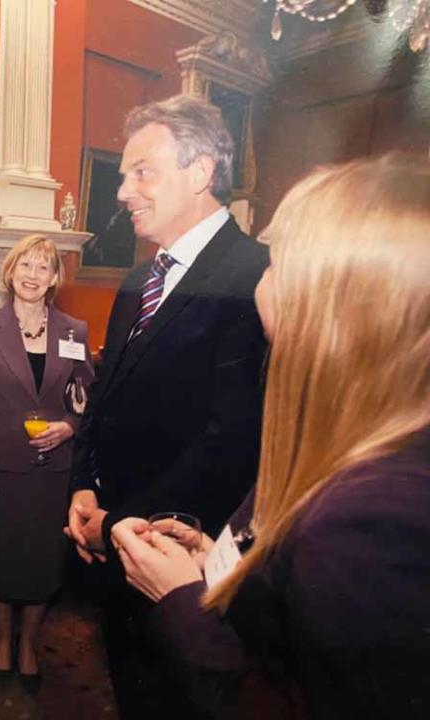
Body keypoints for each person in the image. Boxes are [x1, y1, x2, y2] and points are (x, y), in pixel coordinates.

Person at [108, 154, 430, 719]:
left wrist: (179, 598)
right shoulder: (365, 445)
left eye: (275, 265)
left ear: (332, 302)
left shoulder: (373, 518)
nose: (259, 282)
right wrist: (215, 565)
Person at [65, 94, 268, 718]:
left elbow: (227, 438)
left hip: (185, 560)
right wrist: (82, 486)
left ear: (201, 171)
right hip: (118, 546)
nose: (123, 191)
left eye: (141, 171)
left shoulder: (256, 276)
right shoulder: (137, 282)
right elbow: (103, 396)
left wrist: (120, 519)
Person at [0, 234, 94, 693]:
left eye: (44, 267)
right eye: (25, 264)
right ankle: (4, 640)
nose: (32, 274)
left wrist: (71, 427)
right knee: (1, 558)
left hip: (53, 469)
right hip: (1, 466)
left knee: (43, 563)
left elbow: (84, 399)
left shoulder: (73, 331)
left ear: (55, 278)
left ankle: (29, 646)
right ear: (11, 270)